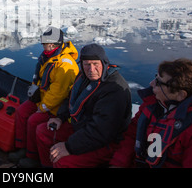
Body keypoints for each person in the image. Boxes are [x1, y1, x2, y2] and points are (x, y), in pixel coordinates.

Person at [110, 58, 192, 168]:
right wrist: (118, 164)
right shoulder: (152, 106)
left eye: (158, 82)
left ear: (180, 95)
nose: (151, 84)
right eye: (155, 77)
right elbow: (131, 136)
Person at [35, 43, 131, 168]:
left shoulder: (114, 89)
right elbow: (70, 98)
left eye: (95, 64)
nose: (91, 69)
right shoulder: (83, 77)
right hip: (82, 127)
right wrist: (60, 117)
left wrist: (69, 147)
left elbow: (101, 131)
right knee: (42, 131)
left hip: (105, 141)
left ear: (104, 63)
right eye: (87, 65)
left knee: (63, 162)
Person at [9, 26, 79, 168]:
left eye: (45, 43)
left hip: (56, 108)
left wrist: (41, 108)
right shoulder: (48, 57)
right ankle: (22, 147)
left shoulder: (65, 65)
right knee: (22, 111)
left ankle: (33, 157)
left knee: (34, 121)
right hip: (43, 98)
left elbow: (58, 94)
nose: (42, 45)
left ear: (53, 44)